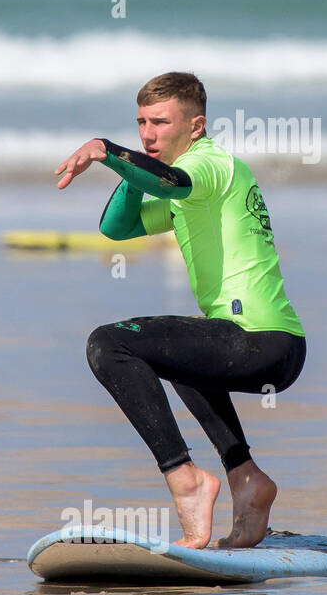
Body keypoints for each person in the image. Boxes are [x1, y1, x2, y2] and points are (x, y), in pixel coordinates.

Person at [54, 72, 305, 550]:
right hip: (270, 343)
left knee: (110, 343)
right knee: (177, 350)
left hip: (259, 341)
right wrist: (131, 169)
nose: (148, 133)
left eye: (160, 122)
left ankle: (185, 478)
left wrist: (110, 151)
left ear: (195, 125)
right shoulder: (193, 195)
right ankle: (247, 481)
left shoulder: (210, 166)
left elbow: (172, 181)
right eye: (141, 122)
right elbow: (117, 227)